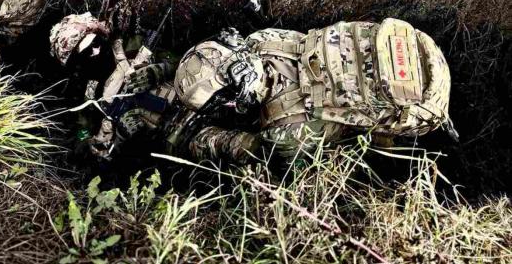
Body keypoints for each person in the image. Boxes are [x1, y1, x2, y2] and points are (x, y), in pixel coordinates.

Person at [167, 19, 455, 164]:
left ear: (233, 102)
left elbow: (243, 150)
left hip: (424, 103)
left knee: (363, 145)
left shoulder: (283, 133)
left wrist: (201, 138)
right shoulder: (263, 39)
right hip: (415, 49)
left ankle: (384, 140)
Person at [49, 12, 177, 160]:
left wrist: (161, 70)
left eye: (95, 43)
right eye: (86, 52)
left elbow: (181, 61)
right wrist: (119, 138)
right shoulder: (91, 98)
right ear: (78, 62)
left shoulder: (132, 46)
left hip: (185, 97)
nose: (95, 52)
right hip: (164, 139)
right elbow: (83, 136)